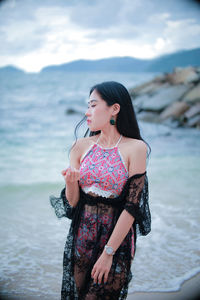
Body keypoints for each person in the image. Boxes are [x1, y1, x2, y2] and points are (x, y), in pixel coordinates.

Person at [50, 81, 151, 300]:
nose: (87, 112)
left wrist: (108, 253)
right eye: (88, 106)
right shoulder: (80, 146)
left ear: (115, 109)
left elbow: (132, 207)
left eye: (93, 105)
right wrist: (70, 183)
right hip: (81, 236)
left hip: (116, 242)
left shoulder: (136, 148)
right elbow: (73, 204)